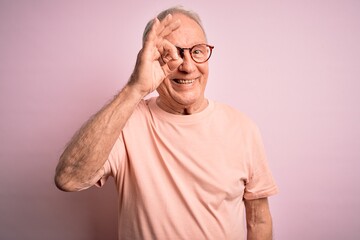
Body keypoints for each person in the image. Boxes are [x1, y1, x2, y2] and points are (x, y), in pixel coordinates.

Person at [55, 6, 278, 240]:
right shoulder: (125, 123)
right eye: (172, 53)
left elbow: (259, 219)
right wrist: (135, 88)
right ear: (149, 57)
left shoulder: (242, 128)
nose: (187, 66)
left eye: (197, 51)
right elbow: (68, 178)